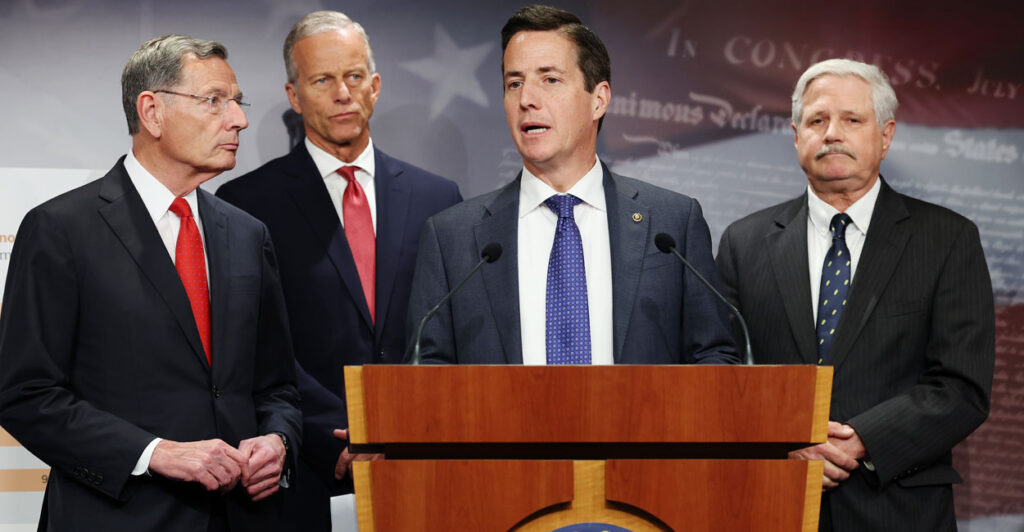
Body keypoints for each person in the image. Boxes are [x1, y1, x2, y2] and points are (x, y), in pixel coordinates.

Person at [0, 35, 301, 531]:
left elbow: (277, 387)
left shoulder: (248, 235)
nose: (239, 120)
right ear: (152, 111)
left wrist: (279, 442)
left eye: (237, 102)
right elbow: (27, 396)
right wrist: (154, 452)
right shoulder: (62, 230)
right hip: (120, 516)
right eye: (214, 101)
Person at [716, 58, 994, 531]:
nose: (832, 134)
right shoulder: (744, 241)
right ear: (795, 133)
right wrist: (784, 439)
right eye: (817, 120)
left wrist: (860, 440)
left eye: (852, 120)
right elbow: (719, 370)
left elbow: (961, 386)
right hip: (770, 504)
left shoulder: (946, 238)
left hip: (899, 508)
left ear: (885, 136)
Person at [215, 10, 462, 531]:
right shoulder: (246, 205)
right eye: (322, 79)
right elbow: (257, 346)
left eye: (353, 76)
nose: (342, 93)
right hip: (308, 473)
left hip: (422, 465)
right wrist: (339, 433)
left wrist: (402, 426)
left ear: (375, 86)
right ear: (294, 95)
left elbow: (450, 333)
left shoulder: (438, 199)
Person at [406, 5, 737, 366]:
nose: (526, 99)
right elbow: (426, 373)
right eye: (514, 83)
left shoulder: (672, 224)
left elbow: (714, 357)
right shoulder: (452, 238)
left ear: (599, 100)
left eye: (550, 80)